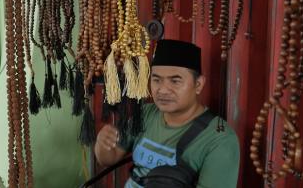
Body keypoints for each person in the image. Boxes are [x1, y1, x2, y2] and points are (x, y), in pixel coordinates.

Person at [94, 39, 240, 188]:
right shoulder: (146, 114)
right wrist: (102, 143)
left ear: (198, 84)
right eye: (156, 80)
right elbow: (108, 159)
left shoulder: (219, 139)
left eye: (175, 81)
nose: (163, 90)